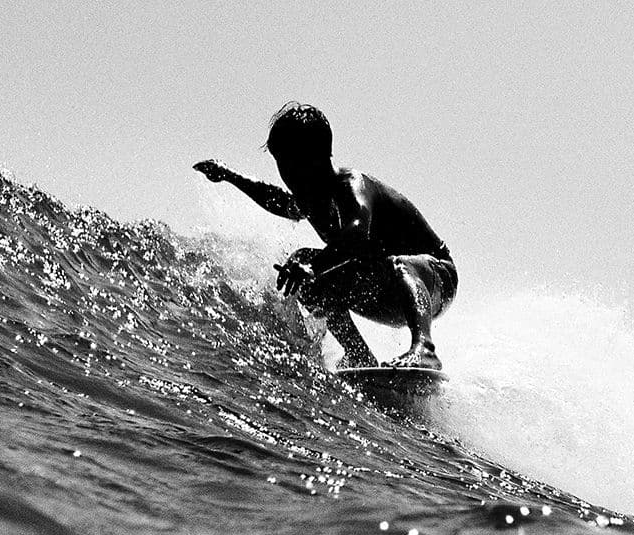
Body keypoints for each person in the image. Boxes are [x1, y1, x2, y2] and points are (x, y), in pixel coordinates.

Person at [194, 104, 456, 370]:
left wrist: (313, 267)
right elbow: (277, 201)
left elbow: (357, 233)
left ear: (315, 158)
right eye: (281, 165)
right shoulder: (311, 199)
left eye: (290, 163)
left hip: (435, 280)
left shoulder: (352, 185)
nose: (286, 175)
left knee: (394, 264)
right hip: (387, 292)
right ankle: (359, 354)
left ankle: (425, 348)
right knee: (302, 265)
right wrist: (229, 176)